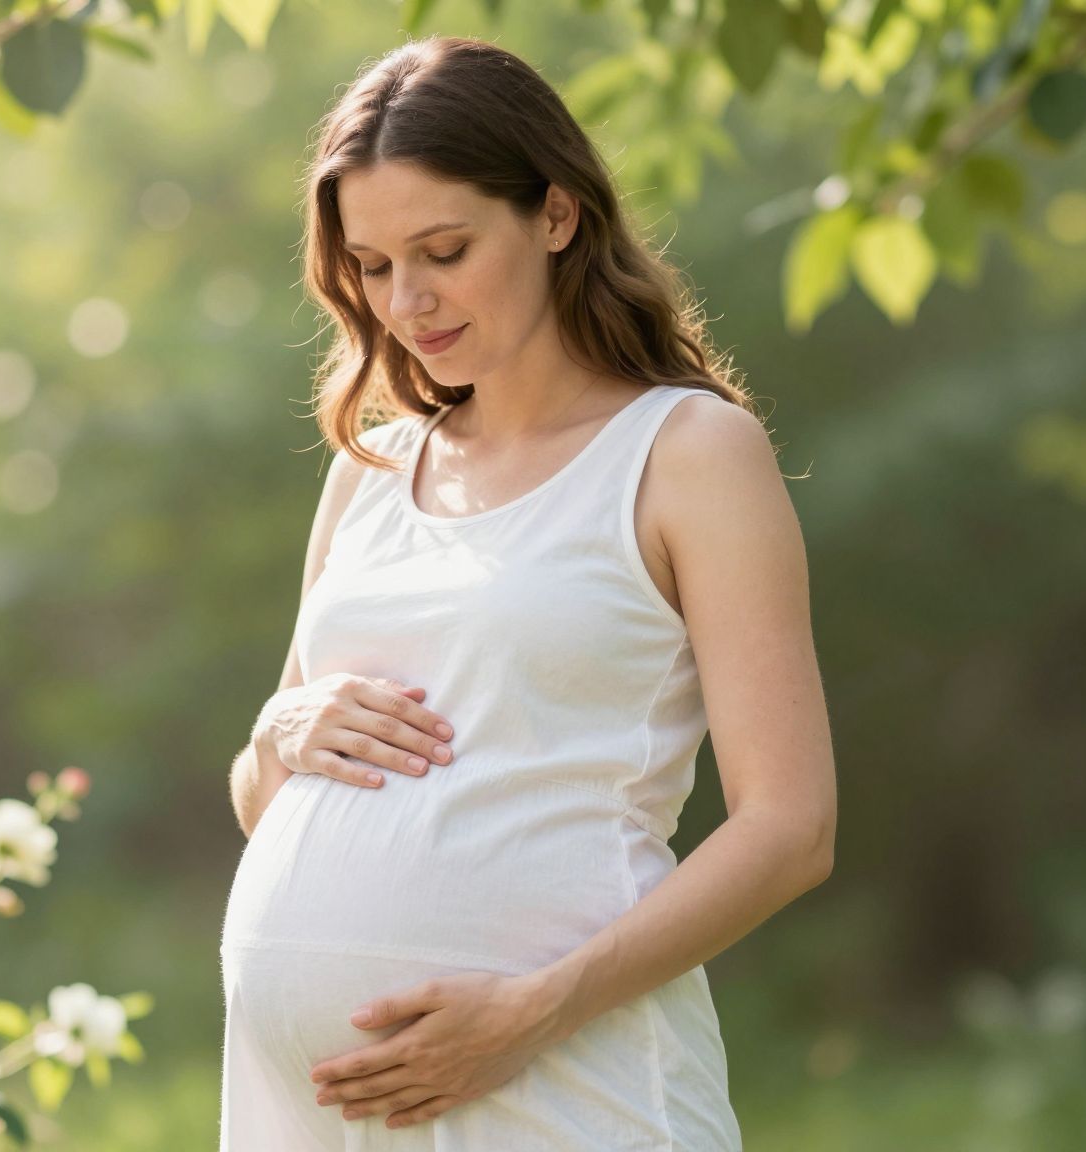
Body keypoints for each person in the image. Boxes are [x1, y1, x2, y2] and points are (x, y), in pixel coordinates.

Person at [219, 34, 837, 1150]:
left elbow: (790, 830)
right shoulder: (371, 468)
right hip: (316, 1118)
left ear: (555, 215)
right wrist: (278, 731)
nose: (406, 301)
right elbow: (266, 802)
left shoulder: (685, 451)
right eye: (370, 266)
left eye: (443, 250)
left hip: (563, 1089)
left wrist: (531, 1011)